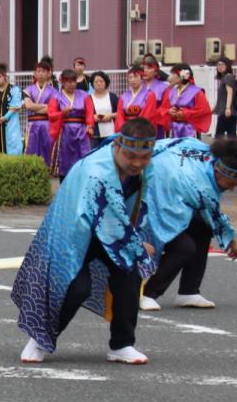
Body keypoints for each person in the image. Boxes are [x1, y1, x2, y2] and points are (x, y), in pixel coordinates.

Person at [12, 118, 157, 365]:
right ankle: (39, 338)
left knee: (129, 273)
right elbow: (113, 221)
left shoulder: (141, 169)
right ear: (118, 145)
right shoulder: (97, 172)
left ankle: (122, 344)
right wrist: (138, 247)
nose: (137, 163)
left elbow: (137, 208)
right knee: (75, 287)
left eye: (144, 157)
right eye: (131, 156)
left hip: (108, 231)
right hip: (72, 232)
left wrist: (138, 242)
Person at [139, 138, 237, 311]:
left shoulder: (206, 153)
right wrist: (230, 239)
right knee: (184, 247)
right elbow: (214, 212)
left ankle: (188, 291)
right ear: (219, 172)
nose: (233, 189)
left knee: (203, 228)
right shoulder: (200, 184)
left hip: (169, 199)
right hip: (147, 204)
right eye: (231, 184)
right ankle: (147, 293)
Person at [48, 70, 94, 179]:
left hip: (81, 131)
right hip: (64, 132)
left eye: (73, 81)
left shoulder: (84, 95)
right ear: (62, 82)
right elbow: (51, 114)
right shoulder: (56, 96)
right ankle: (65, 190)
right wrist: (63, 112)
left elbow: (90, 112)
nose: (71, 84)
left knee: (83, 159)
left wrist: (90, 125)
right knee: (64, 161)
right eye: (68, 82)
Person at [23, 59, 56, 171]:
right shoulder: (28, 89)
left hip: (47, 125)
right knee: (31, 148)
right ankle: (31, 171)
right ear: (34, 74)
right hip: (32, 125)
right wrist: (44, 107)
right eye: (38, 71)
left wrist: (35, 106)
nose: (41, 74)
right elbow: (28, 106)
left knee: (46, 148)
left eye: (43, 71)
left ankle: (46, 171)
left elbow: (52, 109)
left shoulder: (54, 91)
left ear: (48, 73)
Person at [165, 63, 212, 139]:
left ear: (183, 75)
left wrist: (186, 113)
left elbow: (204, 111)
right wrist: (169, 111)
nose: (171, 77)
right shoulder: (172, 91)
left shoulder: (197, 92)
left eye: (174, 74)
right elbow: (164, 108)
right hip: (174, 129)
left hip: (189, 129)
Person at [0, 65, 23, 155]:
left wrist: (4, 118)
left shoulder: (14, 90)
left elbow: (15, 107)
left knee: (10, 150)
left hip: (9, 125)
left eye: (0, 76)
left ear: (5, 76)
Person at [115, 65, 159, 132]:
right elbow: (119, 116)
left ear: (142, 78)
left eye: (136, 77)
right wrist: (123, 128)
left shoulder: (150, 95)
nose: (133, 80)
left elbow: (147, 114)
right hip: (126, 130)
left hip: (142, 130)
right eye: (130, 77)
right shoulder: (123, 96)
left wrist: (135, 128)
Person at [142, 57, 172, 137]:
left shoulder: (164, 87)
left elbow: (165, 108)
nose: (145, 70)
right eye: (144, 68)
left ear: (156, 72)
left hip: (156, 125)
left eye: (149, 68)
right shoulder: (138, 86)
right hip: (138, 125)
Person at [88, 71, 118, 149]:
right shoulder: (88, 98)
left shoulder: (113, 96)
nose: (98, 84)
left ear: (106, 83)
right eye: (96, 82)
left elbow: (119, 112)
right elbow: (86, 114)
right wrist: (93, 117)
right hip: (95, 135)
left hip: (111, 133)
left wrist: (111, 116)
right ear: (92, 84)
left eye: (101, 81)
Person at [214, 57, 237, 140]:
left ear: (227, 66)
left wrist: (228, 108)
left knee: (219, 135)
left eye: (222, 64)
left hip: (226, 112)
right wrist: (214, 108)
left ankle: (218, 152)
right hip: (229, 112)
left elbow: (230, 93)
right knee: (231, 135)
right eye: (218, 65)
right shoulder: (226, 78)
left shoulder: (227, 77)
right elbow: (223, 97)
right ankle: (234, 152)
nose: (219, 66)